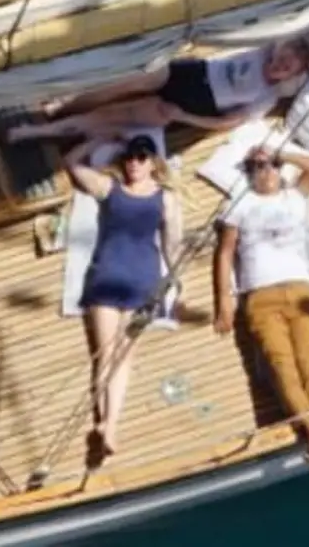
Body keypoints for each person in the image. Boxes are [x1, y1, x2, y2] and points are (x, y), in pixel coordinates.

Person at [64, 133, 183, 459]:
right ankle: (105, 422)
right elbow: (73, 164)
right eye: (130, 156)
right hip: (107, 277)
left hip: (142, 283)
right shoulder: (109, 188)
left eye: (142, 157)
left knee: (124, 353)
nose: (134, 162)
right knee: (106, 352)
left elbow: (172, 243)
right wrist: (102, 137)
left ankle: (110, 424)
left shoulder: (166, 198)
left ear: (153, 163)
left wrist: (175, 280)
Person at [212, 145, 309, 461]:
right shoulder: (240, 205)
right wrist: (225, 297)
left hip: (300, 288)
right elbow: (225, 253)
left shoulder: (294, 197)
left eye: (271, 166)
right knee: (280, 362)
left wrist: (282, 154)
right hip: (261, 294)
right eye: (258, 167)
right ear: (249, 173)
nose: (266, 172)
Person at [7, 39, 309, 143]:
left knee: (118, 115)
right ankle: (63, 106)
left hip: (197, 103)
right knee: (133, 81)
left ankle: (38, 132)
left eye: (289, 67)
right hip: (194, 72)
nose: (281, 65)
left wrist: (183, 115)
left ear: (292, 75)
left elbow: (225, 123)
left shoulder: (267, 96)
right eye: (284, 57)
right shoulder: (262, 49)